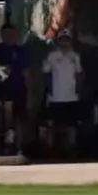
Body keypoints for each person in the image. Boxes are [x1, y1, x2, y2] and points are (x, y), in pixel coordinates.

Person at [41, 30, 83, 160]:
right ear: (58, 41)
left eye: (67, 39)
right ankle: (49, 152)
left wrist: (79, 90)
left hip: (71, 97)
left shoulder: (75, 56)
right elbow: (44, 71)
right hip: (55, 98)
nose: (64, 42)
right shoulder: (52, 56)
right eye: (62, 40)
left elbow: (79, 74)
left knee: (72, 125)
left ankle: (70, 150)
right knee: (52, 126)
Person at [0, 23, 30, 155]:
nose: (9, 36)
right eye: (6, 34)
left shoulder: (21, 51)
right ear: (2, 35)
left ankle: (19, 148)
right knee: (6, 117)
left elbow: (26, 71)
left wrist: (30, 89)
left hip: (19, 89)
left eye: (11, 34)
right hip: (3, 90)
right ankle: (7, 144)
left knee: (20, 118)